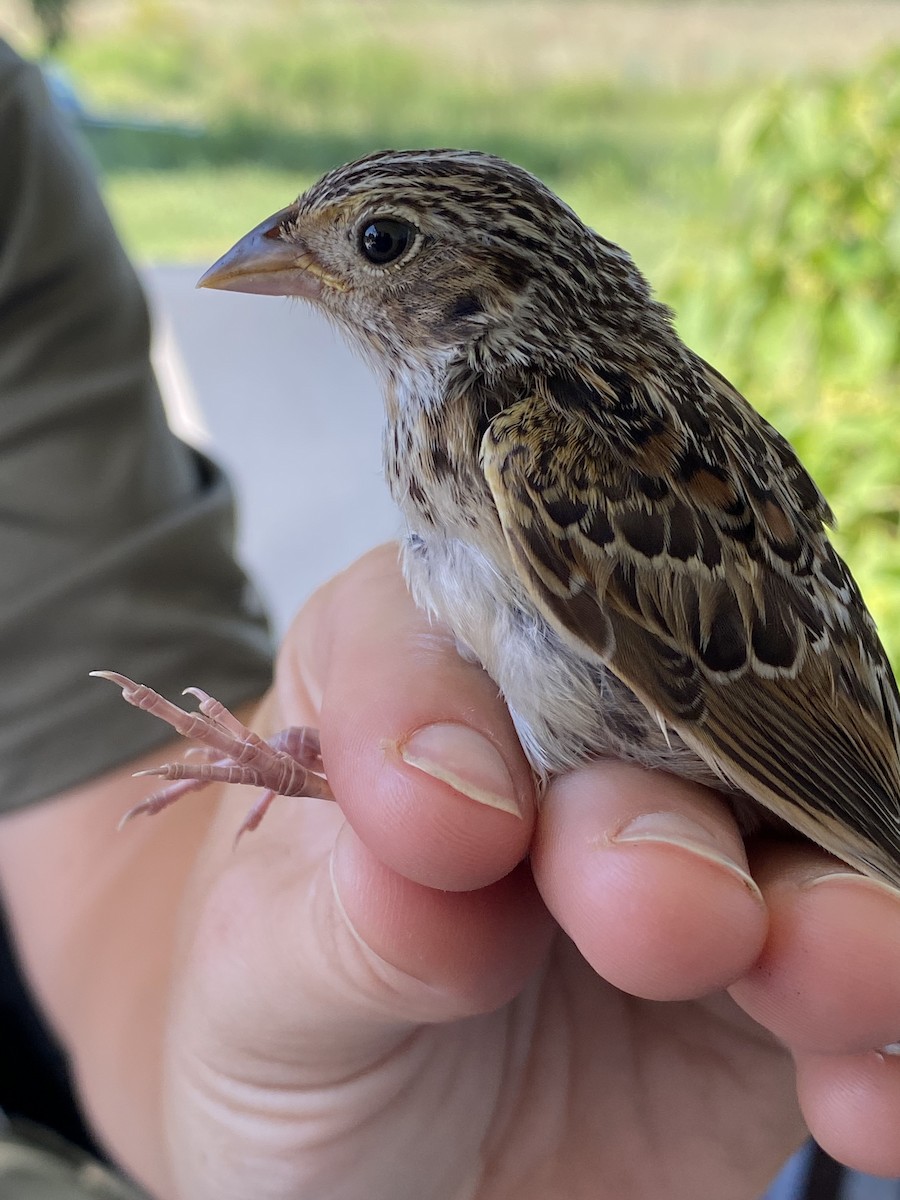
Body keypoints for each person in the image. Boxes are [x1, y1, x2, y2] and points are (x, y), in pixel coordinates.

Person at [1, 36, 899, 1200]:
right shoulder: (480, 427)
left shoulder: (550, 443)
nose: (270, 254)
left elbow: (728, 703)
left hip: (761, 849)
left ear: (494, 290)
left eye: (376, 248)